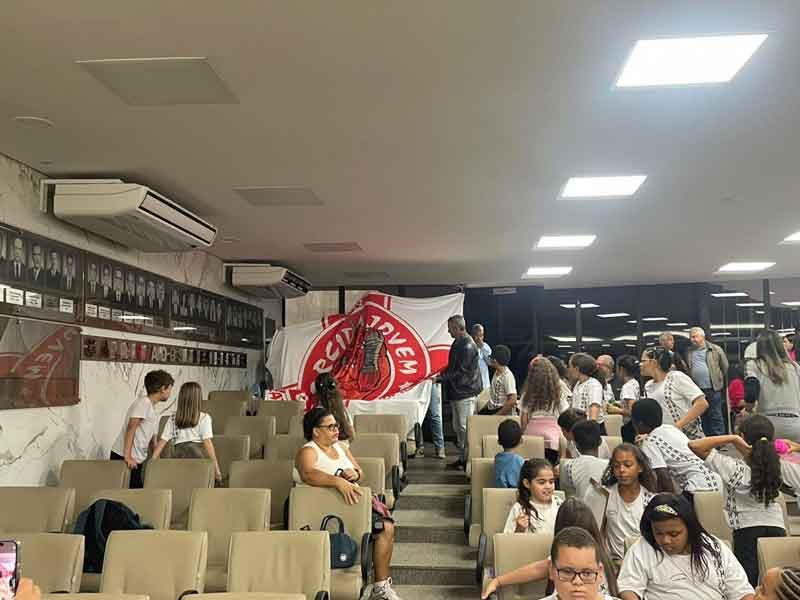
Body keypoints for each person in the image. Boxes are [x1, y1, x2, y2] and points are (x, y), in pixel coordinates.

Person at [294, 408, 401, 600]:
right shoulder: (309, 451)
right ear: (316, 431)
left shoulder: (341, 447)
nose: (336, 430)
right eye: (330, 427)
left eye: (336, 425)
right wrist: (337, 481)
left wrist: (355, 475)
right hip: (326, 511)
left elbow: (360, 471)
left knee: (386, 528)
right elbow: (308, 474)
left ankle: (380, 588)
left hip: (354, 505)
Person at [688, 415, 786, 587]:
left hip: (747, 531)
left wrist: (732, 439)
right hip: (778, 527)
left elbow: (695, 445)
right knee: (777, 585)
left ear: (742, 437)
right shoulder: (777, 465)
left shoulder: (735, 469)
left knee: (748, 585)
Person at [617, 493, 753, 600]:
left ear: (690, 529)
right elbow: (628, 589)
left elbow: (742, 592)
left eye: (674, 534)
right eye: (658, 533)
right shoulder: (643, 548)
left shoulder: (714, 547)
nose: (665, 540)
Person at [483, 499, 619, 599]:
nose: (578, 581)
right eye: (567, 572)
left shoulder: (569, 555)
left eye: (587, 573)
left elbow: (537, 569)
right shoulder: (600, 554)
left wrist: (498, 581)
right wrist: (498, 581)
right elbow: (537, 569)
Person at [631, 398, 721, 498]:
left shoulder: (649, 443)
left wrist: (671, 502)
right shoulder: (670, 429)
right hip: (716, 478)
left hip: (699, 487)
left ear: (639, 424)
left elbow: (664, 477)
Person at [110, 369, 174, 488]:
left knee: (136, 493)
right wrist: (127, 456)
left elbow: (152, 441)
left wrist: (157, 461)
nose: (170, 392)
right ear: (163, 388)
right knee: (130, 495)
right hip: (124, 458)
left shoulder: (152, 408)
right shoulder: (144, 403)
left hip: (135, 460)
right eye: (170, 388)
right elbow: (131, 427)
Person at [151, 382, 222, 482]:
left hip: (178, 462)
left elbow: (161, 443)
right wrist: (216, 469)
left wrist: (152, 464)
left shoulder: (173, 419)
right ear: (198, 399)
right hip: (199, 464)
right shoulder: (204, 418)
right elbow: (208, 445)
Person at [599, 443, 657, 562]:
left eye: (627, 465)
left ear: (640, 467)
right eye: (616, 466)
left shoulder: (650, 499)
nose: (621, 470)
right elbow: (599, 531)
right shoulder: (605, 495)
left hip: (642, 561)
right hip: (614, 561)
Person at [440, 315, 482, 470]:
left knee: (465, 427)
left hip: (466, 392)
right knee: (458, 427)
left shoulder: (467, 346)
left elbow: (460, 372)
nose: (448, 331)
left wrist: (440, 378)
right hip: (459, 391)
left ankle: (468, 460)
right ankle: (463, 458)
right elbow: (454, 367)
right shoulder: (458, 342)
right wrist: (441, 372)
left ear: (458, 328)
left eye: (450, 328)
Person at [743, 329, 800, 441]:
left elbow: (751, 394)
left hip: (767, 426)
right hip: (795, 426)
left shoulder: (754, 365)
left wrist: (747, 410)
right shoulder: (795, 367)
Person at [641, 346, 708, 440]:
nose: (640, 364)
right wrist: (650, 434)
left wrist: (676, 427)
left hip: (689, 438)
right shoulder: (648, 386)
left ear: (654, 362)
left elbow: (702, 404)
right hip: (665, 439)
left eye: (643, 361)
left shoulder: (676, 377)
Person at [521, 357, 570, 464]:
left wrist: (524, 434)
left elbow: (524, 421)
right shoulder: (558, 394)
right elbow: (565, 414)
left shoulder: (526, 394)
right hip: (552, 438)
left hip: (531, 436)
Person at [686, 327, 729, 436]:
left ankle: (719, 439)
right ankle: (707, 438)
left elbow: (725, 366)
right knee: (702, 415)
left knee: (715, 415)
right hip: (697, 391)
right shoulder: (689, 352)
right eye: (691, 337)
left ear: (702, 336)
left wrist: (718, 378)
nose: (692, 339)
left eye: (694, 336)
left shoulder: (715, 349)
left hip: (713, 388)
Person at [503, 458, 562, 534]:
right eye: (541, 482)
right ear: (527, 483)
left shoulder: (559, 504)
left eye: (551, 482)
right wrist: (519, 529)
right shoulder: (519, 509)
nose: (548, 486)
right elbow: (507, 540)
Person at [561, 420, 609, 499]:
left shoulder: (567, 466)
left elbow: (568, 495)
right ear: (600, 442)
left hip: (577, 506)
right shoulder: (610, 467)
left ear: (576, 444)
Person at [569, 353, 608, 432]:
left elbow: (594, 410)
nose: (569, 370)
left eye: (570, 367)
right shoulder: (578, 384)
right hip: (580, 426)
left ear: (576, 369)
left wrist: (590, 431)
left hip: (591, 428)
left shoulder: (593, 384)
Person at [312, 372, 354, 444]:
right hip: (343, 448)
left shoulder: (316, 414)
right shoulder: (344, 411)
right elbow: (352, 435)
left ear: (317, 392)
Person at [610, 355, 640, 443]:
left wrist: (616, 410)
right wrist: (620, 404)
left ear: (622, 370)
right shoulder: (634, 382)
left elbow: (632, 411)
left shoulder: (627, 387)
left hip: (630, 426)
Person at [480, 345, 517, 415]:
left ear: (495, 361)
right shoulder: (497, 372)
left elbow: (513, 400)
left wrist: (497, 415)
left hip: (499, 410)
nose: (489, 360)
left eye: (491, 358)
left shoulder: (507, 376)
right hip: (491, 408)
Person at [419, 379, 446, 459]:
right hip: (414, 381)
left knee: (435, 415)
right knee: (417, 415)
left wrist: (437, 378)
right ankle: (419, 447)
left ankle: (440, 447)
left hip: (430, 382)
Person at [495, 419, 525, 488]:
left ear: (499, 441)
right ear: (520, 440)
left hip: (499, 493)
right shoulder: (518, 460)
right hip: (514, 493)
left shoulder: (497, 458)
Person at [472, 323, 492, 391]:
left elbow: (490, 363)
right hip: (472, 386)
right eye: (476, 335)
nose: (479, 338)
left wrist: (482, 348)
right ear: (472, 335)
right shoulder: (469, 347)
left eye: (481, 335)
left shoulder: (486, 346)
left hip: (484, 385)